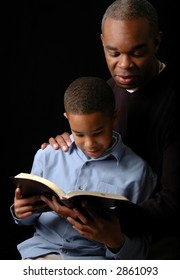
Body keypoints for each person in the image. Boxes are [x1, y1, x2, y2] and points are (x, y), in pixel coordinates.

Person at [42, 0, 180, 259]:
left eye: (137, 52)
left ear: (157, 43)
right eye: (113, 53)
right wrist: (69, 143)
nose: (124, 65)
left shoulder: (173, 102)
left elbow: (174, 203)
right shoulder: (107, 91)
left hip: (158, 241)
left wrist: (105, 218)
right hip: (99, 240)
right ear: (103, 42)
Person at [10, 76, 157, 260]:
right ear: (67, 119)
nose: (90, 144)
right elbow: (28, 219)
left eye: (98, 133)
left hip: (95, 261)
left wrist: (115, 240)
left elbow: (141, 251)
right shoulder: (47, 156)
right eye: (78, 134)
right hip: (42, 253)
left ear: (114, 117)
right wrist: (21, 212)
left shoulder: (139, 174)